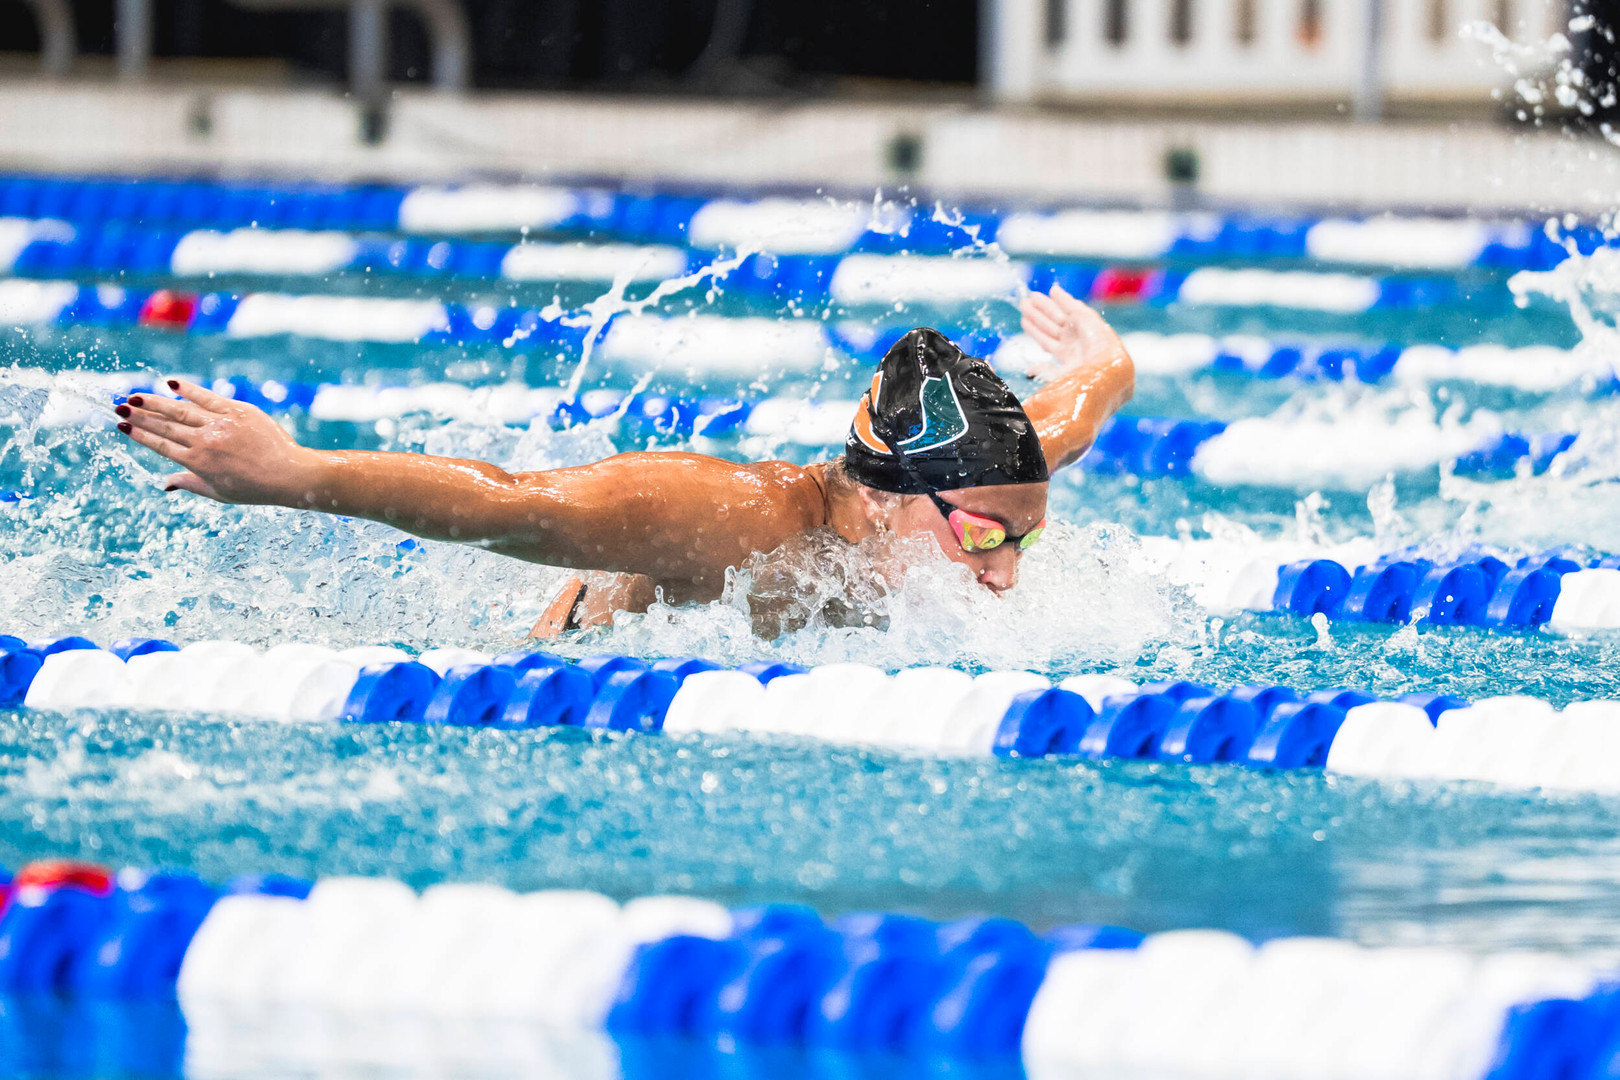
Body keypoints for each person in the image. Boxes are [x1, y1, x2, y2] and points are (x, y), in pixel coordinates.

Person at [115, 283, 1134, 636]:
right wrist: (294, 473)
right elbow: (518, 506)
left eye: (1025, 538)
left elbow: (1086, 397)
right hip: (576, 673)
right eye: (990, 541)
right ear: (887, 499)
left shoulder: (990, 482)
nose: (1007, 570)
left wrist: (1104, 353)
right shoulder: (743, 520)